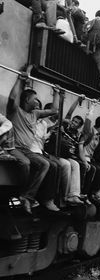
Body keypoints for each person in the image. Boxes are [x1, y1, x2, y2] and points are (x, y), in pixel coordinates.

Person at [7, 75, 60, 213]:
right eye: (34, 99)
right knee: (25, 163)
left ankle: (27, 196)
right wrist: (19, 79)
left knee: (45, 164)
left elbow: (54, 111)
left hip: (27, 150)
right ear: (26, 100)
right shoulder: (16, 110)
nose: (37, 101)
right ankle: (22, 193)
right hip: (14, 148)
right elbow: (12, 98)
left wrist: (56, 92)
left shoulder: (35, 114)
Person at [78, 106, 100, 207]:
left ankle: (96, 193)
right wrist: (92, 106)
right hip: (84, 157)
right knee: (94, 169)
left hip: (90, 158)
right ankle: (86, 193)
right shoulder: (90, 131)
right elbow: (82, 144)